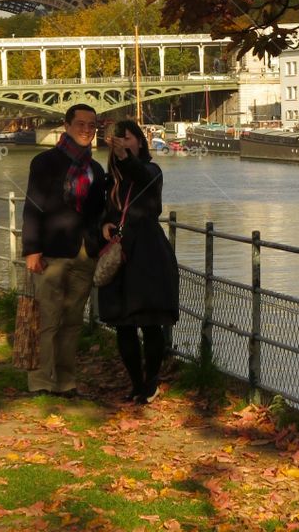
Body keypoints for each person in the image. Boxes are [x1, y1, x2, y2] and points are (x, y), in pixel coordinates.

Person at [21, 103, 106, 396]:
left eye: (91, 125)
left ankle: (66, 381)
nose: (86, 130)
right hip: (51, 251)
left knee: (72, 322)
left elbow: (98, 212)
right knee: (48, 318)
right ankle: (42, 381)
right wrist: (31, 250)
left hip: (84, 253)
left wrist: (100, 239)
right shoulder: (45, 162)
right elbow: (32, 207)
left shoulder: (95, 169)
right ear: (67, 126)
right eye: (80, 124)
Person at [98, 120, 179, 405]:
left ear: (141, 143)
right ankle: (136, 383)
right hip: (120, 251)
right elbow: (107, 210)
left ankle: (151, 380)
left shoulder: (151, 171)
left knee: (150, 320)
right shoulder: (113, 178)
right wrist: (105, 224)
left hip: (146, 252)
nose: (123, 143)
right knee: (123, 323)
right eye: (118, 139)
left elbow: (143, 176)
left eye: (128, 138)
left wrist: (124, 158)